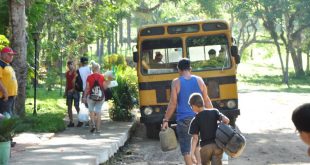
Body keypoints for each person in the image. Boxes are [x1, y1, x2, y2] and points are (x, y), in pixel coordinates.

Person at [162, 58, 213, 165]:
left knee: (186, 148)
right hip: (199, 118)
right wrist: (213, 115)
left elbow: (173, 103)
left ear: (179, 69)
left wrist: (166, 119)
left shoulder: (176, 82)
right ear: (190, 68)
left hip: (184, 120)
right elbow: (206, 99)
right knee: (197, 145)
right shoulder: (199, 80)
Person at [188, 93, 230, 165]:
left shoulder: (195, 119)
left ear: (194, 105)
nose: (191, 108)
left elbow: (195, 138)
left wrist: (192, 153)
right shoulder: (214, 111)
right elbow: (226, 120)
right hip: (217, 146)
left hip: (205, 148)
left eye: (191, 106)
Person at [0, 46, 18, 147]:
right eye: (9, 55)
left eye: (12, 55)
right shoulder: (0, 65)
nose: (11, 57)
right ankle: (5, 140)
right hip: (4, 97)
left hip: (11, 97)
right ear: (1, 54)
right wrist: (5, 92)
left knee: (9, 118)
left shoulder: (8, 65)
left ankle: (8, 139)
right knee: (5, 118)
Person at [82, 62, 107, 133]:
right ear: (98, 68)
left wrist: (84, 97)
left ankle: (92, 124)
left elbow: (87, 88)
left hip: (91, 97)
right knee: (98, 112)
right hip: (100, 97)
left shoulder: (89, 77)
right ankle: (98, 129)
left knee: (91, 111)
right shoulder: (102, 77)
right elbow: (105, 87)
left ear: (92, 69)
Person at [64, 60, 82, 127]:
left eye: (71, 64)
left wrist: (73, 89)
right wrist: (65, 91)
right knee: (69, 107)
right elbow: (66, 83)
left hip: (76, 92)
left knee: (76, 106)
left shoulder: (76, 72)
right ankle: (71, 121)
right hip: (69, 92)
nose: (69, 66)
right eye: (68, 65)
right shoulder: (67, 73)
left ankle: (80, 120)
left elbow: (75, 81)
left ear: (73, 65)